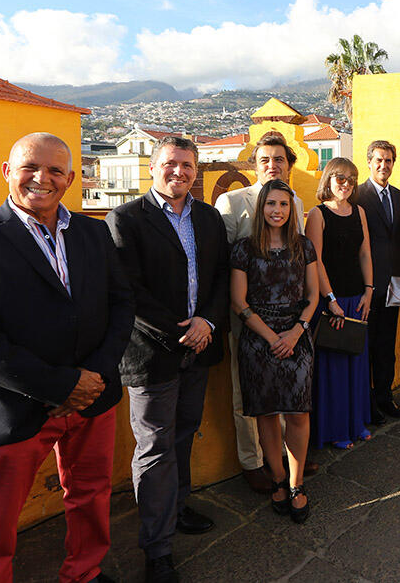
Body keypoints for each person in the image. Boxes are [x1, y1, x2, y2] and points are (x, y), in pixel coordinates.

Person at [0, 133, 133, 583]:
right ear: (7, 171)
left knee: (91, 497)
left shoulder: (93, 231)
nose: (42, 178)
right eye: (30, 167)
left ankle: (84, 573)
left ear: (71, 179)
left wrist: (94, 378)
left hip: (93, 397)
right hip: (10, 406)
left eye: (55, 170)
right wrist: (63, 386)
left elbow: (121, 304)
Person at [106, 136, 230, 583]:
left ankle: (177, 510)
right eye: (170, 164)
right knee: (155, 449)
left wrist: (208, 324)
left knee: (182, 435)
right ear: (153, 167)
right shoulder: (125, 218)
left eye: (187, 165)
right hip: (153, 354)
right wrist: (185, 331)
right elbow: (128, 289)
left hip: (200, 347)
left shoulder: (209, 217)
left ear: (196, 171)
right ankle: (157, 548)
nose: (179, 172)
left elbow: (220, 278)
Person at [215, 131, 310, 493]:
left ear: (289, 165)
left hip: (289, 320)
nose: (273, 165)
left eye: (280, 159)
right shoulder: (232, 201)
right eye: (266, 159)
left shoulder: (295, 203)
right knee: (248, 395)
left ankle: (286, 463)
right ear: (255, 164)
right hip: (248, 319)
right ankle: (252, 462)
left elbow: (298, 258)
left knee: (287, 394)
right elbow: (223, 263)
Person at [229, 180, 319, 523]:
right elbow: (239, 301)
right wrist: (271, 337)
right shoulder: (244, 249)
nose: (277, 210)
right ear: (260, 208)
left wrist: (295, 333)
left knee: (297, 414)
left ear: (291, 209)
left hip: (297, 338)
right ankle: (277, 479)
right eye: (271, 204)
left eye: (283, 204)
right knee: (266, 415)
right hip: (258, 341)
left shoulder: (304, 247)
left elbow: (312, 296)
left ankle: (297, 485)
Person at [306, 157, 375, 448]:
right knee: (333, 370)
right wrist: (330, 298)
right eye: (339, 178)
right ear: (328, 180)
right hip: (330, 302)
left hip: (357, 299)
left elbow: (365, 254)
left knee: (355, 366)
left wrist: (369, 290)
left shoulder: (359, 211)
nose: (345, 184)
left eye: (350, 179)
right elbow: (315, 260)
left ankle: (355, 424)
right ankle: (335, 431)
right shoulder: (318, 214)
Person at [356, 140, 400, 422]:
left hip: (392, 287)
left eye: (388, 160)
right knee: (367, 347)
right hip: (367, 287)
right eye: (378, 160)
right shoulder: (358, 195)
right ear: (369, 162)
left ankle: (385, 398)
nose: (383, 165)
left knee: (387, 347)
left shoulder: (399, 196)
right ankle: (367, 405)